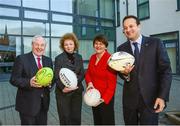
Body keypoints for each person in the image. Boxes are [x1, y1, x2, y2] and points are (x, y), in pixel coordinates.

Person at [117, 15, 172, 125]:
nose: (128, 30)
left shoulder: (155, 43)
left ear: (139, 26)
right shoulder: (121, 49)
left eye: (131, 26)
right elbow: (121, 73)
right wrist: (125, 74)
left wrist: (162, 96)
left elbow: (166, 71)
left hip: (151, 99)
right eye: (125, 28)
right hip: (130, 101)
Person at [9, 35, 53, 125]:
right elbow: (13, 79)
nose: (39, 47)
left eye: (42, 45)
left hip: (43, 105)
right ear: (32, 45)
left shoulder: (48, 60)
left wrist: (50, 84)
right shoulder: (22, 59)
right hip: (27, 105)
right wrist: (29, 82)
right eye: (37, 44)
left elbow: (51, 79)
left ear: (45, 47)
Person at [85, 34, 117, 125]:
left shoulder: (110, 60)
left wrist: (103, 99)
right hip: (94, 96)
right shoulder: (92, 57)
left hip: (105, 98)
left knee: (107, 121)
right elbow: (88, 73)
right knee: (97, 121)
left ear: (105, 46)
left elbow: (112, 85)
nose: (98, 46)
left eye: (101, 44)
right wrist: (90, 84)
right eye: (96, 43)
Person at [54, 33, 85, 125]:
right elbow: (56, 76)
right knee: (65, 118)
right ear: (63, 46)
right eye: (66, 44)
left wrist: (75, 81)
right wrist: (63, 87)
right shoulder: (58, 58)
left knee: (76, 117)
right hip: (63, 93)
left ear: (74, 44)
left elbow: (82, 73)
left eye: (70, 44)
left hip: (77, 92)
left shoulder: (79, 57)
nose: (68, 46)